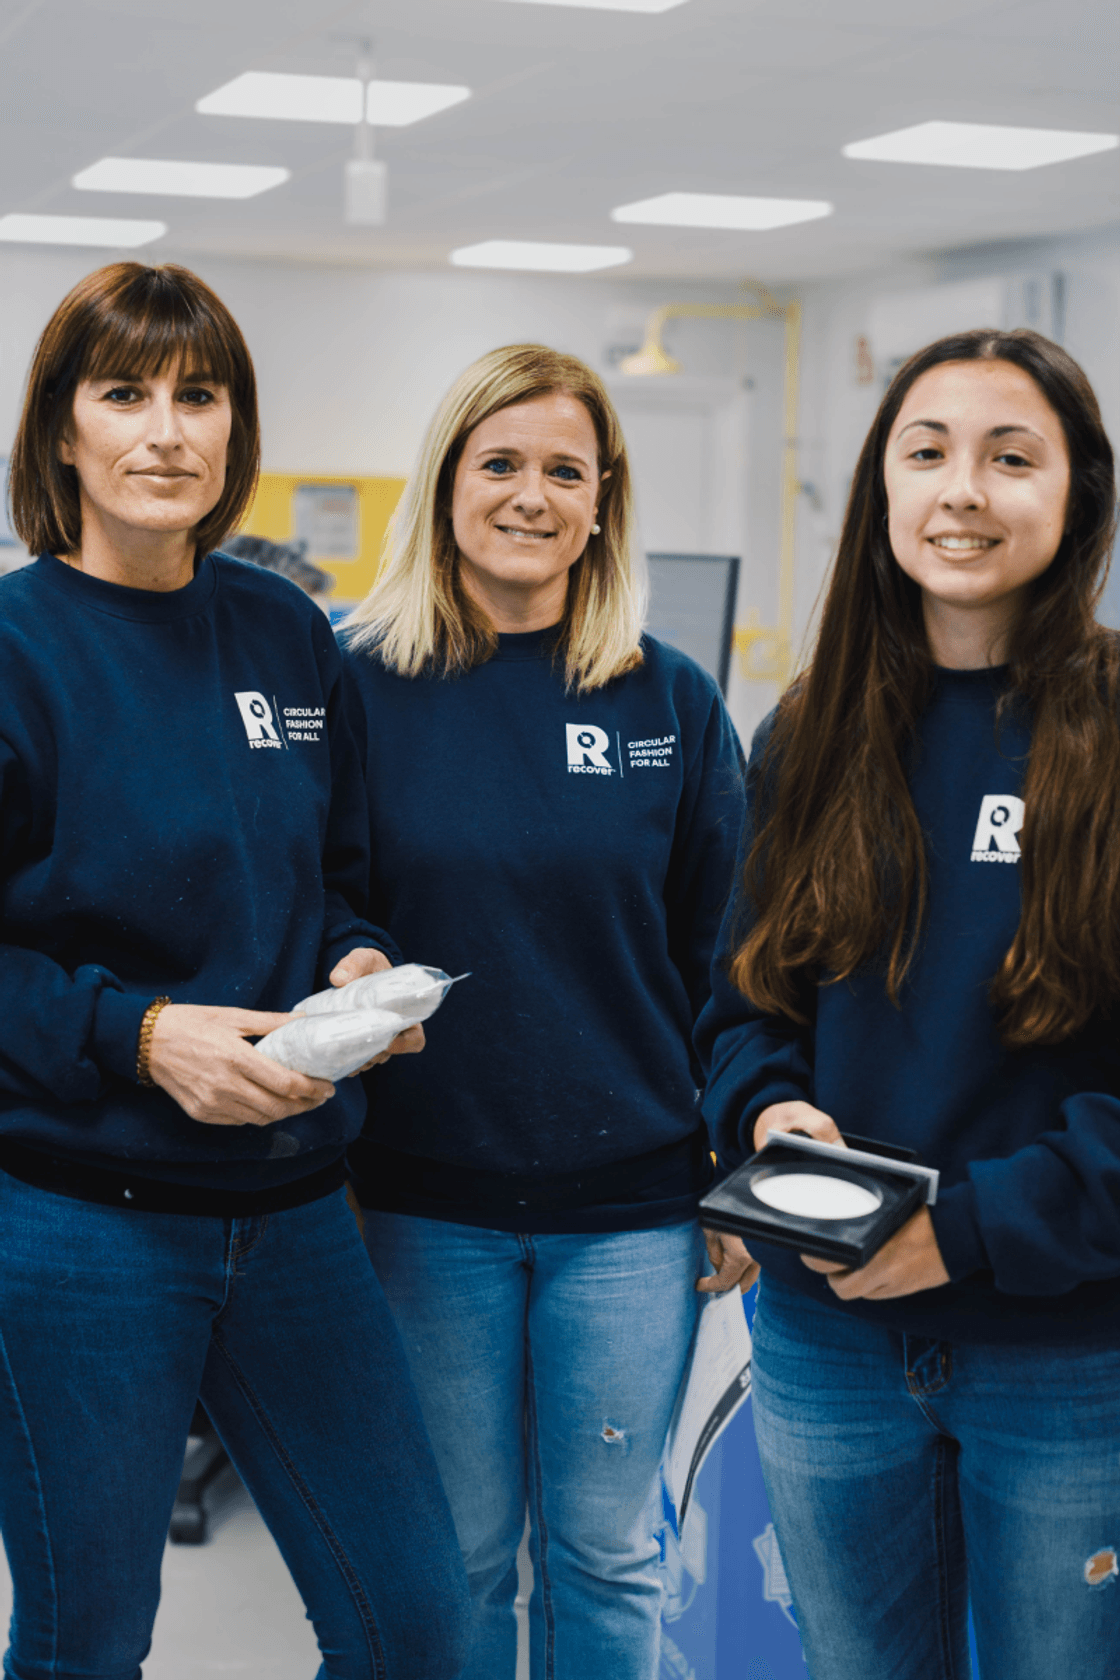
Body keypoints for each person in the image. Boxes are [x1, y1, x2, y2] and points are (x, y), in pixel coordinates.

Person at [0, 261, 469, 1680]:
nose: (165, 431)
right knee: (88, 1642)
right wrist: (141, 1037)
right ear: (62, 431)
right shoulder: (17, 650)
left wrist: (358, 966)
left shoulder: (282, 634)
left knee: (415, 1627)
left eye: (199, 395)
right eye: (124, 393)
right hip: (84, 1229)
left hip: (297, 1217)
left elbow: (329, 875)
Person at [696, 328, 1120, 1680]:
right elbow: (745, 1002)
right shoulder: (810, 730)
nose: (962, 492)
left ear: (1078, 494)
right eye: (926, 452)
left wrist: (970, 1231)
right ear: (882, 487)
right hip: (831, 1339)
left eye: (1013, 458)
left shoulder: (1111, 736)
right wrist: (768, 1111)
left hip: (1060, 1348)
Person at [342, 343, 750, 1680]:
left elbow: (732, 962)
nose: (530, 494)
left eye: (563, 469)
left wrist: (738, 1167)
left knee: (606, 1557)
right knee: (456, 1559)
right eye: (499, 463)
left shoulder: (671, 701)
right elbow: (322, 906)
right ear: (447, 480)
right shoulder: (358, 685)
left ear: (603, 497)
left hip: (631, 1214)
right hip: (421, 1204)